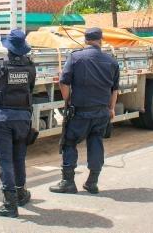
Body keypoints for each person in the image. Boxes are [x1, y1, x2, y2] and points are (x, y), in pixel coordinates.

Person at [49, 27, 119, 195]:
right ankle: (92, 182)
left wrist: (68, 100)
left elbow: (63, 82)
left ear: (85, 40)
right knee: (96, 142)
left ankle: (68, 182)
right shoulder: (112, 61)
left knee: (70, 142)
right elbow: (114, 89)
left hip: (80, 111)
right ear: (100, 40)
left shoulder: (75, 57)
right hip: (101, 111)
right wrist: (111, 108)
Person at [0, 29, 36, 218]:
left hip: (2, 119)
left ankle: (10, 204)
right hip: (23, 119)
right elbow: (30, 89)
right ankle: (21, 193)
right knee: (19, 158)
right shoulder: (30, 67)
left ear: (8, 49)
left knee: (5, 161)